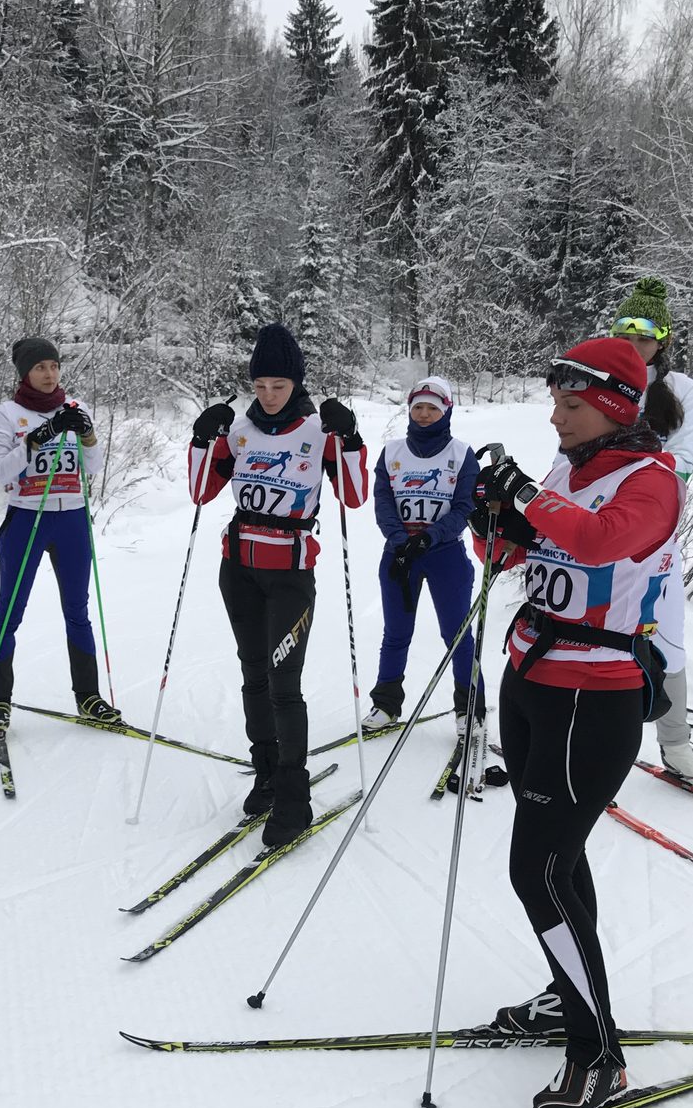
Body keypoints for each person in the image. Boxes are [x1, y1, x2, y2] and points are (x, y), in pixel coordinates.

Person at [467, 336, 682, 1108]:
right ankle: (571, 995)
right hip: (531, 680)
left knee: (539, 872)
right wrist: (491, 519)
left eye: (571, 405)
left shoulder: (649, 481)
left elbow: (597, 541)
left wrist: (523, 492)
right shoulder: (574, 468)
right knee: (557, 860)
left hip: (593, 698)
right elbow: (523, 552)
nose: (554, 417)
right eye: (555, 402)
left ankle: (598, 1058)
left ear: (616, 409)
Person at [188, 323, 368, 848]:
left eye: (279, 386)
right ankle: (265, 771)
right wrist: (203, 439)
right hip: (238, 568)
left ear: (297, 384)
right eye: (261, 385)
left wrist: (350, 439)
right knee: (253, 674)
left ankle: (295, 798)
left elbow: (353, 495)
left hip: (290, 573)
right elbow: (202, 491)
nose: (268, 396)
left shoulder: (318, 431)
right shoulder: (240, 430)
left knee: (284, 684)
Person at [0, 336, 119, 729]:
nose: (49, 373)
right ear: (25, 372)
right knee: (11, 610)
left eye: (54, 366)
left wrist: (87, 434)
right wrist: (37, 438)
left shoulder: (76, 406)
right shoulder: (6, 414)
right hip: (26, 519)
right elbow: (2, 471)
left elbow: (91, 467)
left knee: (78, 611)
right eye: (40, 367)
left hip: (72, 518)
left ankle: (89, 698)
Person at [611, 277, 693, 788]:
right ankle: (590, 736)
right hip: (593, 527)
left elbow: (683, 462)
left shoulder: (681, 391)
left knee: (665, 637)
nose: (634, 344)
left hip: (652, 536)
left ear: (663, 340)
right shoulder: (600, 379)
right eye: (625, 333)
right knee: (589, 633)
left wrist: (628, 481)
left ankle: (675, 745)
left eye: (645, 335)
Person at [362, 376, 482, 738]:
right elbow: (383, 501)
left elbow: (464, 507)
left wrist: (430, 537)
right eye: (418, 407)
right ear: (410, 410)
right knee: (396, 634)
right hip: (400, 556)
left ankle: (469, 707)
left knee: (458, 634)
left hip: (444, 554)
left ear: (446, 410)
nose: (425, 414)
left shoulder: (461, 454)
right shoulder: (393, 451)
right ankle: (385, 704)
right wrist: (401, 540)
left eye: (433, 407)